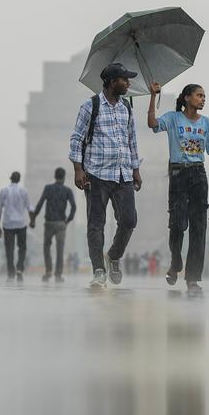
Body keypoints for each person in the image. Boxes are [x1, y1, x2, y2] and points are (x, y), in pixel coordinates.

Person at [147, 82, 209, 295]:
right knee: (177, 224)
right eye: (199, 95)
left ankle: (193, 278)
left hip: (198, 175)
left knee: (199, 227)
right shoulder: (174, 119)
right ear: (186, 98)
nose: (203, 99)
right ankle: (175, 263)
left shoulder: (207, 124)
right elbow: (152, 123)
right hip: (178, 174)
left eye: (204, 96)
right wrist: (152, 97)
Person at [68, 63, 142, 289]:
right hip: (97, 174)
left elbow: (131, 140)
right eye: (124, 79)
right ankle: (98, 270)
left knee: (129, 220)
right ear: (112, 82)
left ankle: (114, 256)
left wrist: (136, 169)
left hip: (123, 174)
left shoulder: (127, 108)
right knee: (95, 224)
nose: (128, 83)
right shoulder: (90, 106)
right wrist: (78, 170)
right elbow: (77, 139)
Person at [30, 167, 77, 282]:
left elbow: (40, 203)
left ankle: (48, 271)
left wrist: (33, 218)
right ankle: (58, 274)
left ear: (55, 176)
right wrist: (68, 220)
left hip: (49, 223)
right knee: (60, 250)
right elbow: (74, 207)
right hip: (61, 223)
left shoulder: (48, 188)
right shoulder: (67, 191)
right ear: (64, 177)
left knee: (46, 247)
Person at [0, 171, 32, 283]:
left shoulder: (4, 191)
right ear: (19, 179)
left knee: (9, 249)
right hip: (21, 223)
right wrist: (32, 220)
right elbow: (29, 207)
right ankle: (20, 269)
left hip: (8, 224)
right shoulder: (23, 191)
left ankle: (11, 270)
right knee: (22, 247)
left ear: (10, 178)